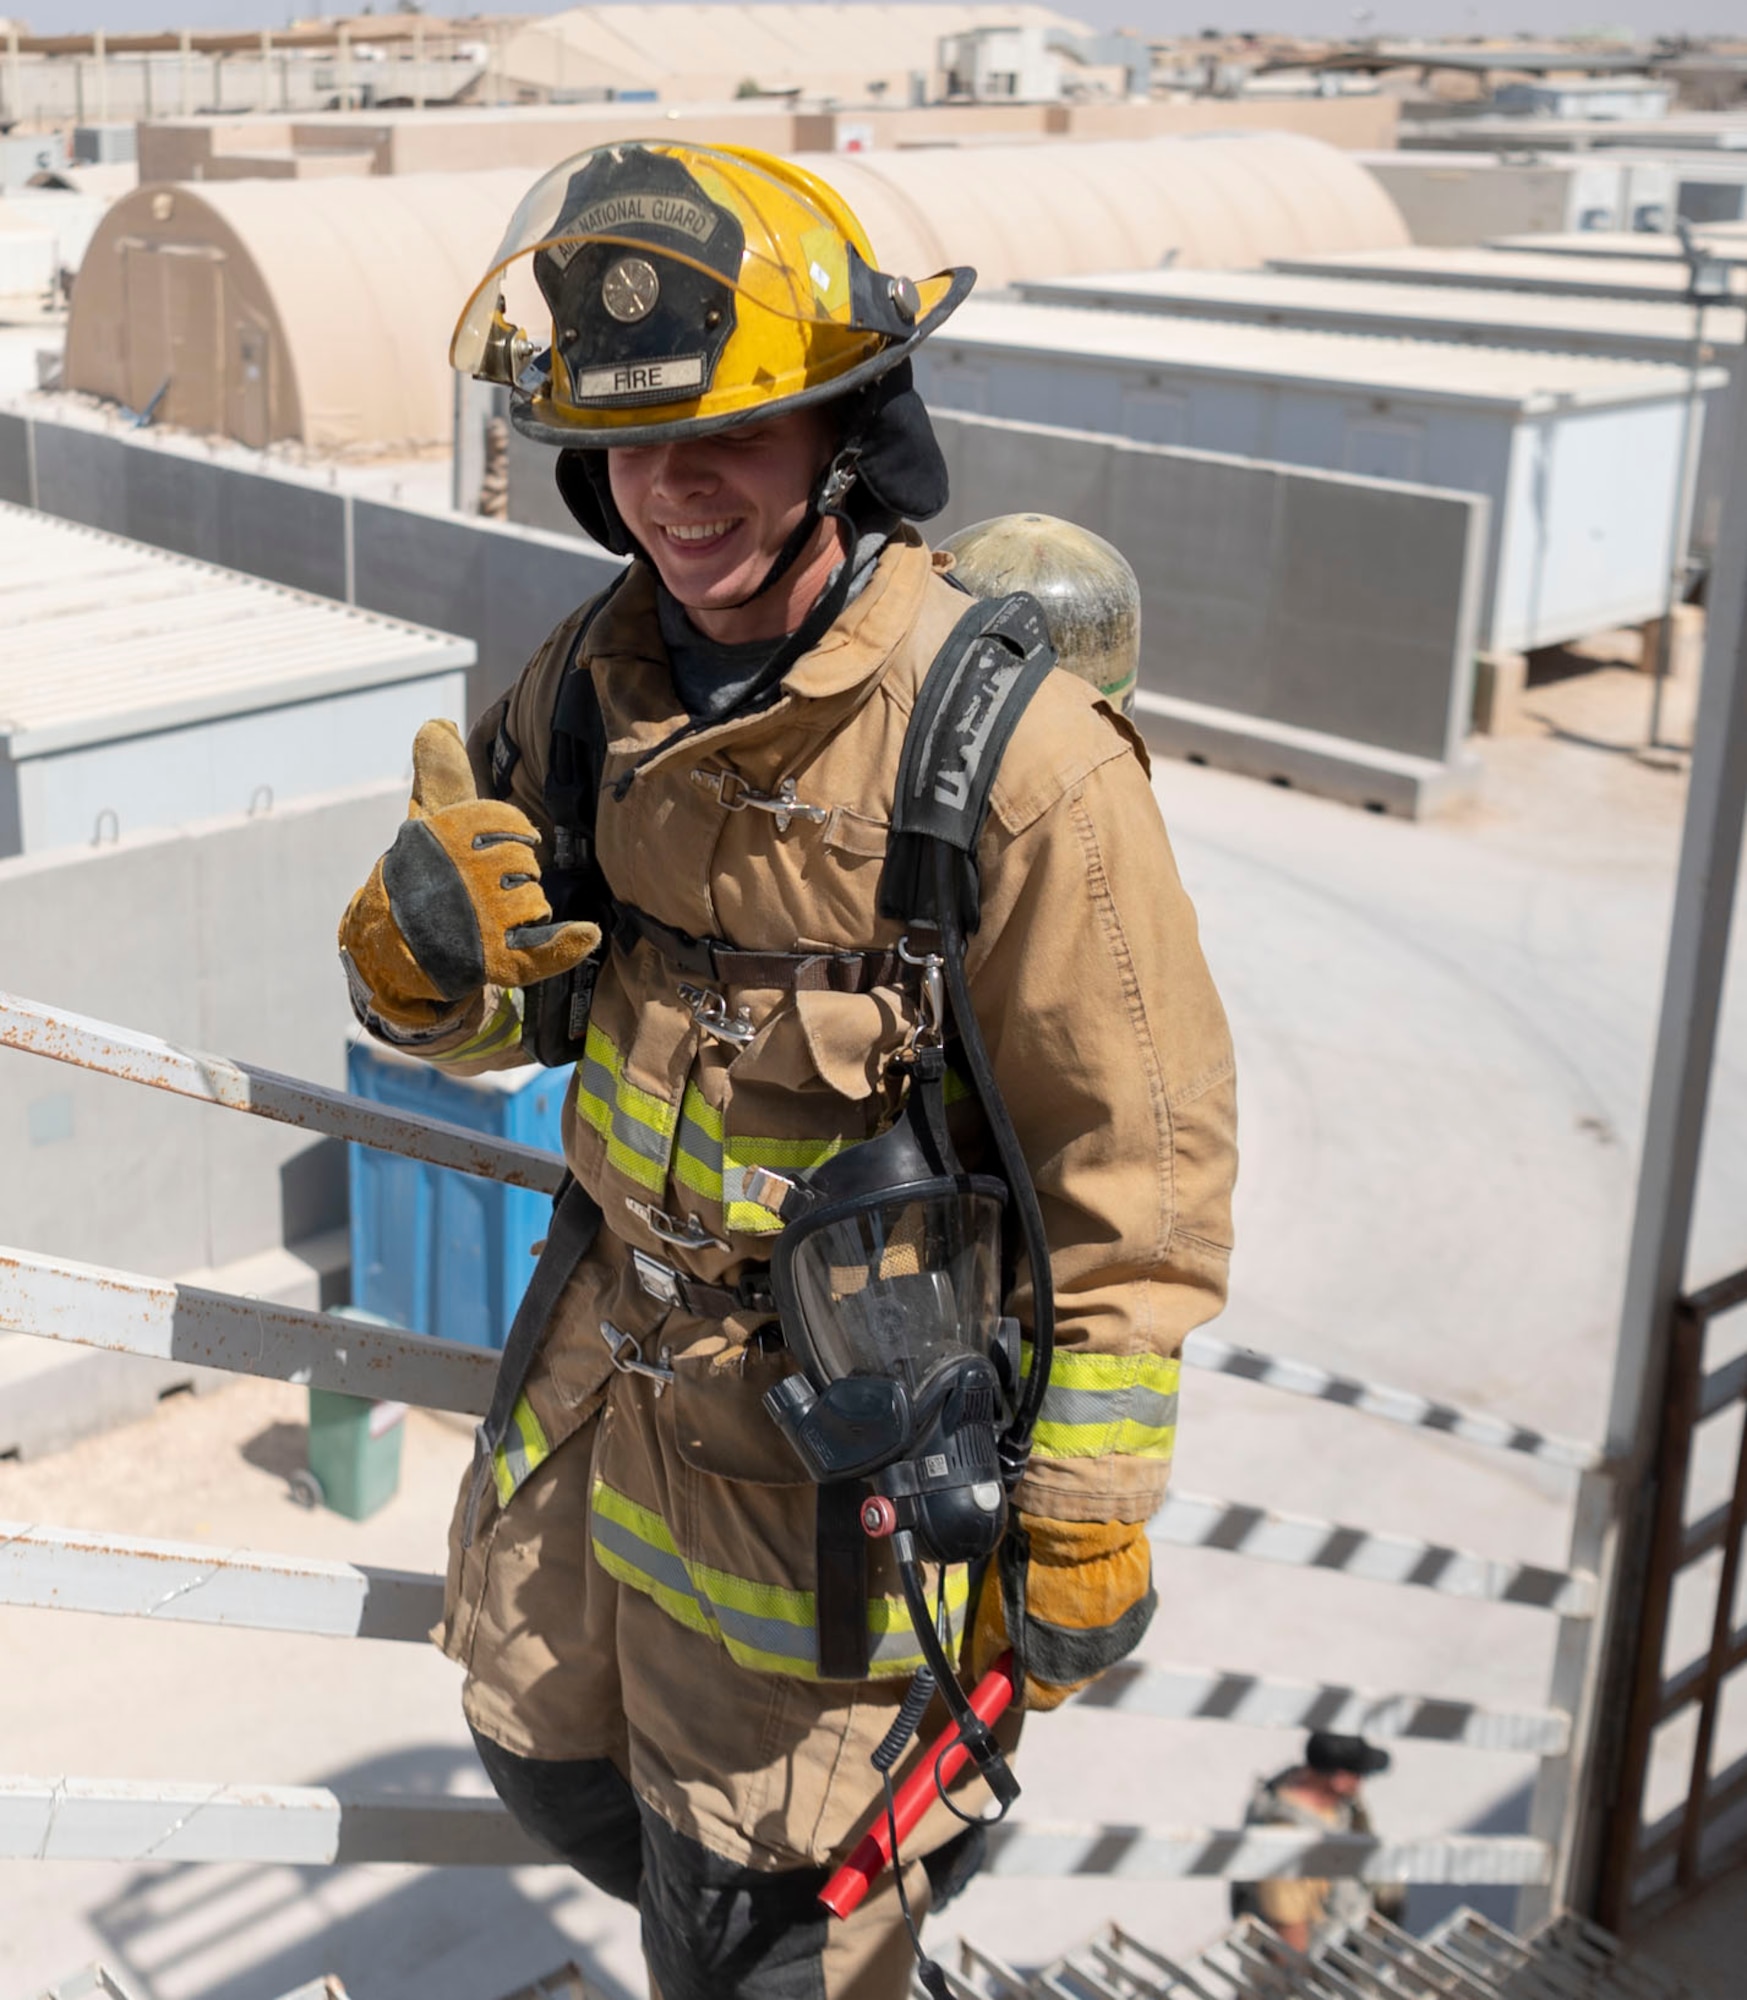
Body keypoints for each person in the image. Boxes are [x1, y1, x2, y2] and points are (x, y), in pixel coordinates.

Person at [337, 142, 1237, 2000]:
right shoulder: (595, 684)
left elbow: (1130, 1184)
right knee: (532, 1749)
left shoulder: (1017, 762)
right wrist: (424, 974)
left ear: (846, 428)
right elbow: (531, 1006)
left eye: (735, 430)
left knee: (764, 1940)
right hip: (597, 1416)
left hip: (834, 1483)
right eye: (631, 445)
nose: (674, 488)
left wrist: (1073, 1519)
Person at [1230, 1732, 1404, 1952]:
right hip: (1319, 1968)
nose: (1360, 1784)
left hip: (1347, 1945)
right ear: (1339, 1780)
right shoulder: (1287, 1840)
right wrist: (1301, 1981)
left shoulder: (1329, 1799)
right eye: (1358, 1775)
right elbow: (1288, 1939)